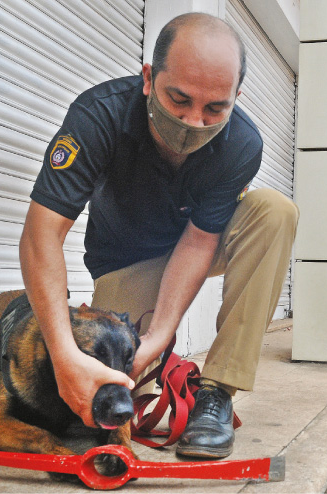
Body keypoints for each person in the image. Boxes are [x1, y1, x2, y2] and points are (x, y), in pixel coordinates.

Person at [19, 13, 299, 459]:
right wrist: (62, 353)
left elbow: (199, 241)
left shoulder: (241, 143)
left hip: (195, 248)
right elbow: (41, 236)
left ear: (235, 98)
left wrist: (160, 333)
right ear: (149, 78)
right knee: (95, 398)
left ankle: (217, 394)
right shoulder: (99, 116)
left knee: (274, 212)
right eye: (179, 99)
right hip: (127, 266)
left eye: (214, 108)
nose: (193, 121)